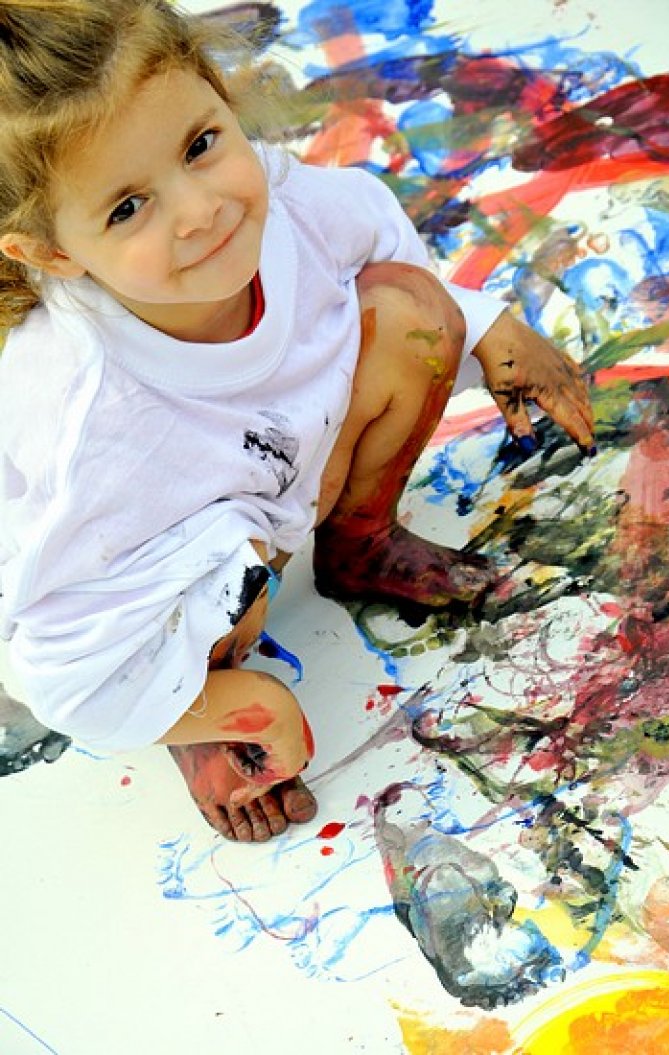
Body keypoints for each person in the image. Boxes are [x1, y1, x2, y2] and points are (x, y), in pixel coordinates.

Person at [0, 0, 594, 843]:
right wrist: (228, 703)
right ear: (54, 253)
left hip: (273, 475)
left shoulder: (284, 202)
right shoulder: (89, 425)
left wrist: (484, 319)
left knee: (414, 309)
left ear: (219, 97)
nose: (200, 211)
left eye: (200, 145)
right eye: (128, 207)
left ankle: (360, 542)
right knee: (224, 555)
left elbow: (380, 254)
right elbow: (62, 676)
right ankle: (197, 703)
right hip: (153, 582)